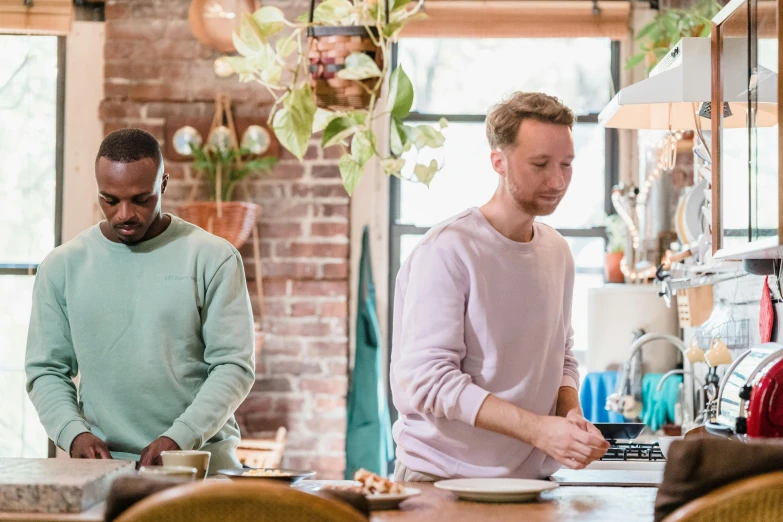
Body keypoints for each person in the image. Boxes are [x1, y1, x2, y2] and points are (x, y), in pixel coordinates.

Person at [390, 92, 610, 482]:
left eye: (566, 165)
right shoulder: (447, 250)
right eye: (540, 164)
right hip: (442, 482)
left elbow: (561, 358)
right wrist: (540, 430)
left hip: (531, 483)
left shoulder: (558, 252)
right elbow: (428, 381)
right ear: (498, 162)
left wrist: (570, 414)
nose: (557, 180)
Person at [25, 128, 255, 474]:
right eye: (110, 200)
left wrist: (181, 438)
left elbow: (234, 366)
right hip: (104, 474)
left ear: (163, 183)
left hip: (201, 470)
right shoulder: (62, 266)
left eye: (140, 199)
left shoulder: (213, 258)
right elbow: (46, 370)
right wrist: (73, 434)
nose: (124, 214)